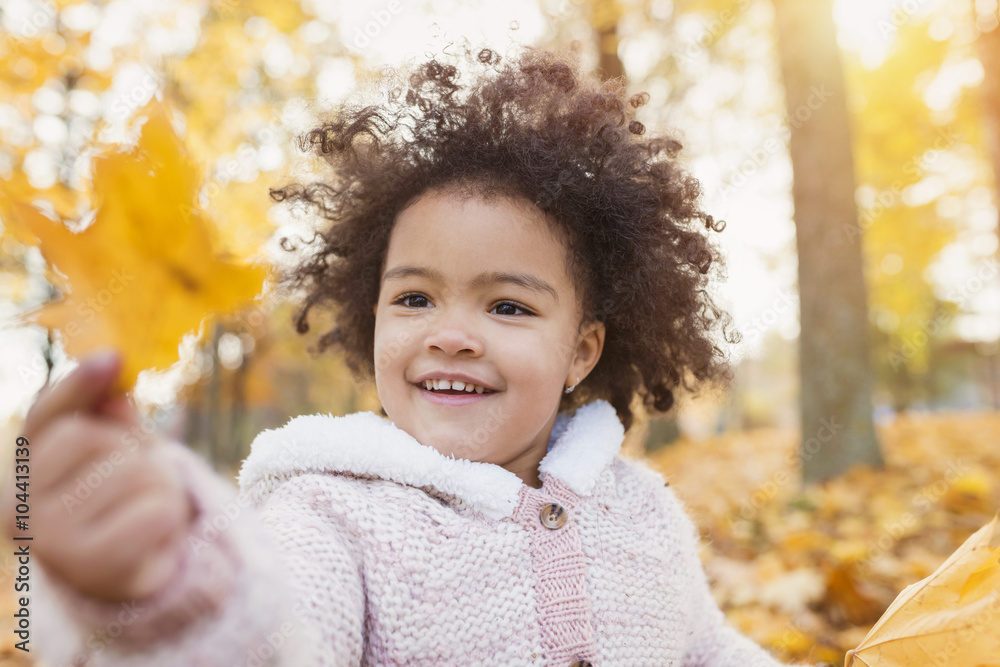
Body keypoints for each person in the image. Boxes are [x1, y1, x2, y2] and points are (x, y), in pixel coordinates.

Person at [5, 46, 805, 666]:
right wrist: (176, 587)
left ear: (581, 350)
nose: (450, 333)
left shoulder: (641, 510)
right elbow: (274, 633)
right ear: (371, 312)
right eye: (415, 298)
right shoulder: (333, 513)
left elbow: (706, 646)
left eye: (507, 306)